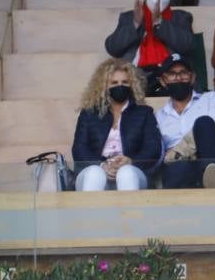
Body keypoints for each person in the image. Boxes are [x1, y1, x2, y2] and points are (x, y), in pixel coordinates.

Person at [69, 58, 161, 192]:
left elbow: (153, 148)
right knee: (95, 174)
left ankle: (129, 213)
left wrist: (130, 161)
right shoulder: (89, 113)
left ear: (132, 85)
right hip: (94, 169)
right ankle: (91, 213)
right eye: (114, 83)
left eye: (125, 82)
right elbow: (79, 148)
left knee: (126, 173)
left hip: (132, 170)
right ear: (104, 86)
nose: (120, 86)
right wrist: (102, 165)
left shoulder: (144, 113)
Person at [104, 0, 195, 90]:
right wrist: (135, 23)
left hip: (171, 76)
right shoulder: (128, 17)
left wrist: (160, 23)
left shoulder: (181, 17)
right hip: (136, 76)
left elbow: (187, 46)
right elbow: (112, 48)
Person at [154, 53, 215, 189]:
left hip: (207, 157)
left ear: (192, 77)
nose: (178, 78)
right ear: (163, 81)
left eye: (183, 72)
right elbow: (157, 152)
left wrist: (181, 148)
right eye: (172, 74)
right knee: (178, 168)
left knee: (204, 123)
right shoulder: (159, 116)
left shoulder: (211, 99)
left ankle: (212, 178)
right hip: (177, 166)